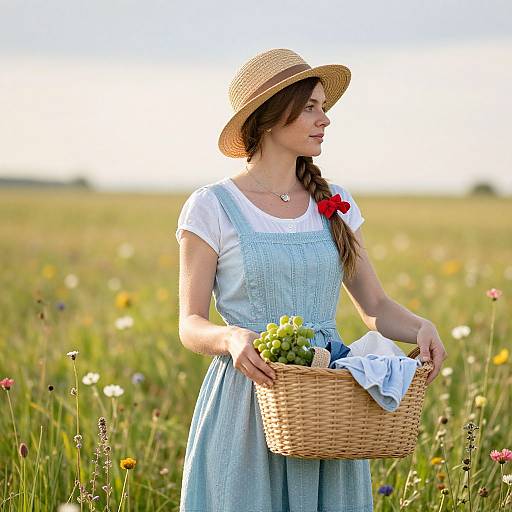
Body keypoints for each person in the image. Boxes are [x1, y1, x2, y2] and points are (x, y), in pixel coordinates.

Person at [175, 48, 447, 512]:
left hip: (327, 400)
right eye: (310, 108)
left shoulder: (335, 201)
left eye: (324, 107)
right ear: (268, 117)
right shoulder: (211, 206)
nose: (325, 119)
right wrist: (231, 338)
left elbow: (375, 305)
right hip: (249, 399)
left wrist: (421, 327)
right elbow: (190, 323)